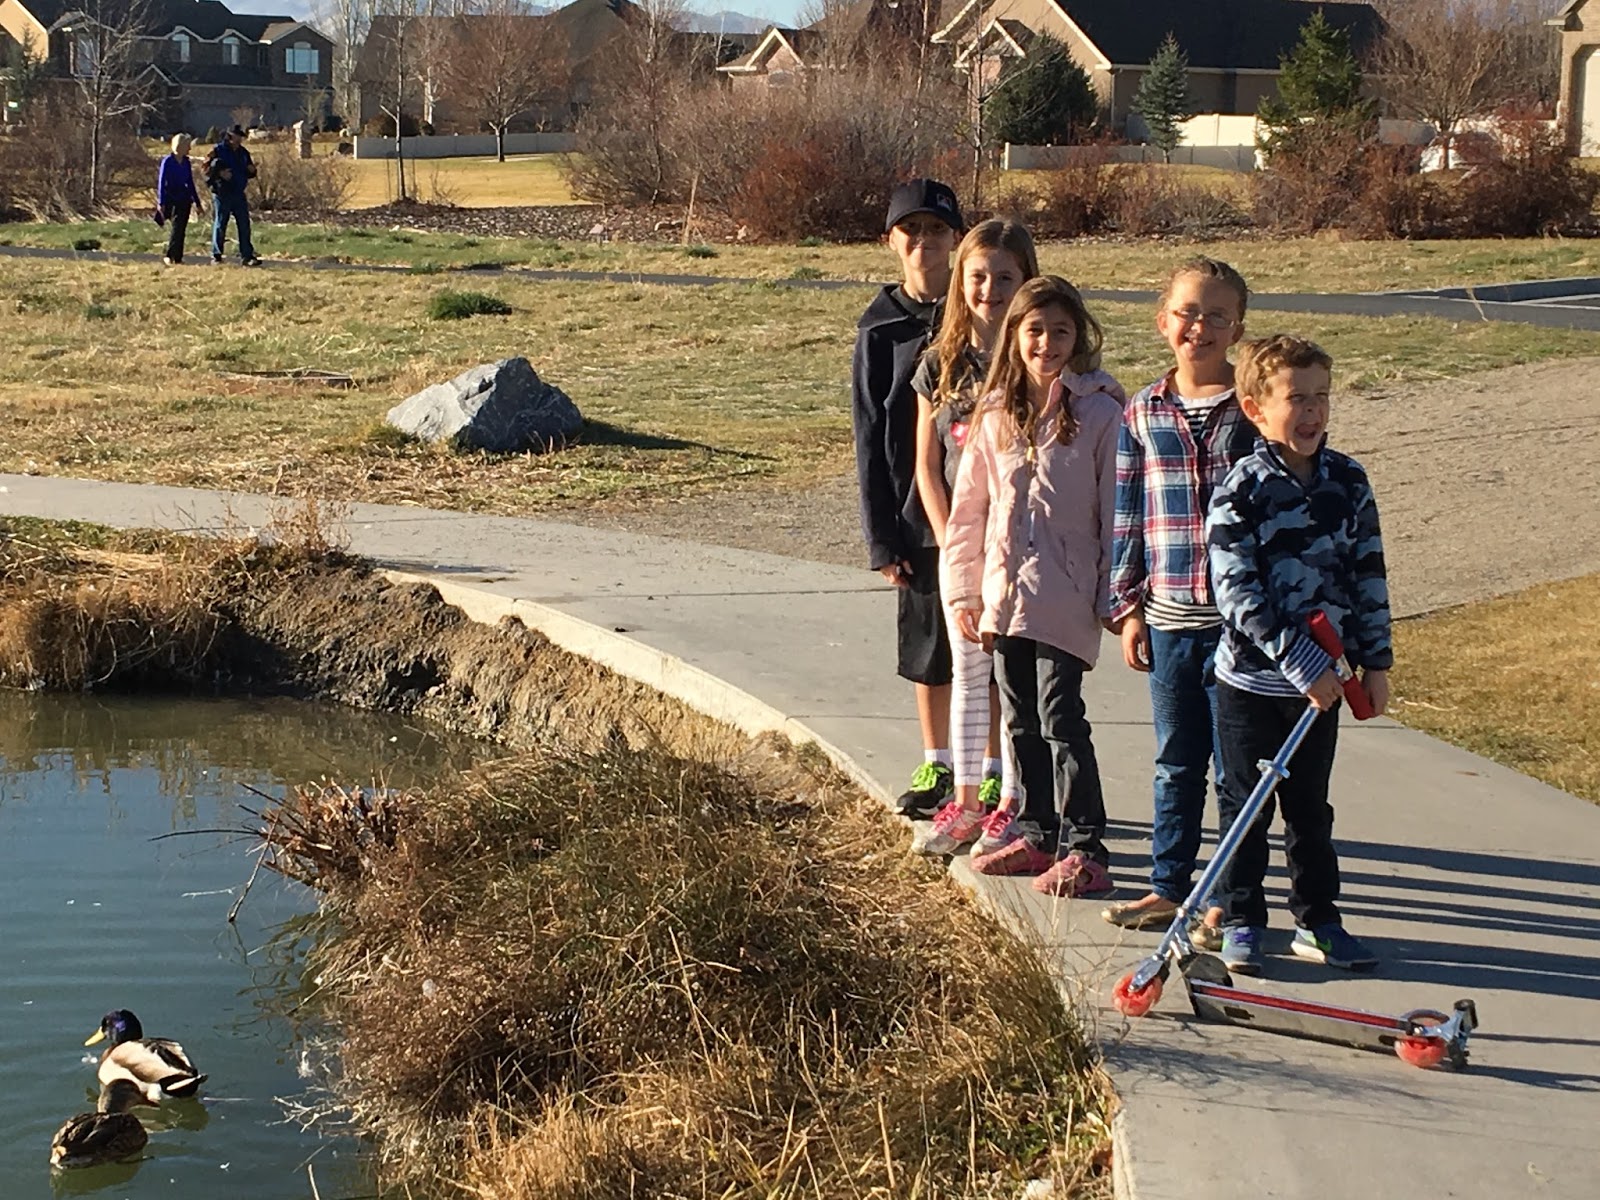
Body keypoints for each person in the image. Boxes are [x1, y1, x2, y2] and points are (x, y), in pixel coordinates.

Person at [1204, 334, 1392, 975]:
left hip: (1326, 691)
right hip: (1251, 685)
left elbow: (1368, 574)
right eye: (1296, 399)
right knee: (1246, 806)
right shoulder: (1241, 490)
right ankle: (1241, 919)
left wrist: (1376, 661)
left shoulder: (1348, 481)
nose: (1311, 412)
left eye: (1321, 398)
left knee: (1310, 809)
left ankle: (1319, 920)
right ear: (1256, 409)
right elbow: (1236, 592)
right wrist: (1298, 661)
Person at [943, 276, 1124, 897]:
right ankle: (1038, 830)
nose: (1047, 344)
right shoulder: (995, 413)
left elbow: (1115, 511)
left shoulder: (1100, 414)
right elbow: (970, 511)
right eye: (1035, 331)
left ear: (1079, 337)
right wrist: (965, 591)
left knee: (1060, 716)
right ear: (1015, 336)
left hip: (1066, 594)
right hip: (1003, 595)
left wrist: (1112, 595)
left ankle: (1085, 845)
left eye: (1060, 331)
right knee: (1019, 719)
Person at [1102, 258, 1256, 943]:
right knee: (1175, 762)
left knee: (1235, 770)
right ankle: (1168, 887)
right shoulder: (1142, 410)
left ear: (1237, 329)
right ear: (1163, 320)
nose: (1201, 327)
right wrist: (1128, 607)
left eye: (1217, 315)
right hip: (1167, 618)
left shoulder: (1255, 407)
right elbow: (1127, 513)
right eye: (1189, 312)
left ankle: (1226, 899)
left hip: (1239, 624)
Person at [908, 218, 1036, 856]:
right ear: (960, 280)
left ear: (1027, 281)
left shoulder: (1039, 359)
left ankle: (1010, 801)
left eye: (1005, 278)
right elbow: (927, 466)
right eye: (979, 277)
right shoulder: (939, 365)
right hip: (961, 546)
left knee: (1011, 678)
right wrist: (950, 543)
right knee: (967, 672)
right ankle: (964, 803)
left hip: (1024, 548)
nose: (990, 290)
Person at [851, 178, 964, 819]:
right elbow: (868, 436)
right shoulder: (879, 330)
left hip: (980, 507)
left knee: (986, 646)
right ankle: (936, 762)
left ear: (957, 238)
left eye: (937, 229)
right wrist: (882, 538)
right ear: (890, 241)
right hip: (914, 515)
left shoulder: (979, 314)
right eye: (911, 230)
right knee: (929, 649)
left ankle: (990, 771)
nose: (925, 241)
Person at [204, 125, 260, 267]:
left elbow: (250, 171)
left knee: (244, 223)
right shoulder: (218, 150)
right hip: (222, 193)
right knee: (221, 223)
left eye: (241, 136)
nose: (240, 139)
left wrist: (252, 171)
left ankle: (247, 255)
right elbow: (205, 169)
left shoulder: (243, 153)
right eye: (237, 136)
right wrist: (219, 173)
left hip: (238, 192)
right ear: (230, 136)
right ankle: (216, 255)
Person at [156, 133, 203, 265]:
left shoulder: (186, 162)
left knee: (181, 228)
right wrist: (161, 202)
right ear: (180, 146)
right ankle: (170, 255)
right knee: (176, 227)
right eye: (187, 145)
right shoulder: (168, 161)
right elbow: (161, 182)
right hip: (171, 197)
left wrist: (197, 202)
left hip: (184, 198)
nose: (189, 148)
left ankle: (178, 257)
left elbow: (190, 182)